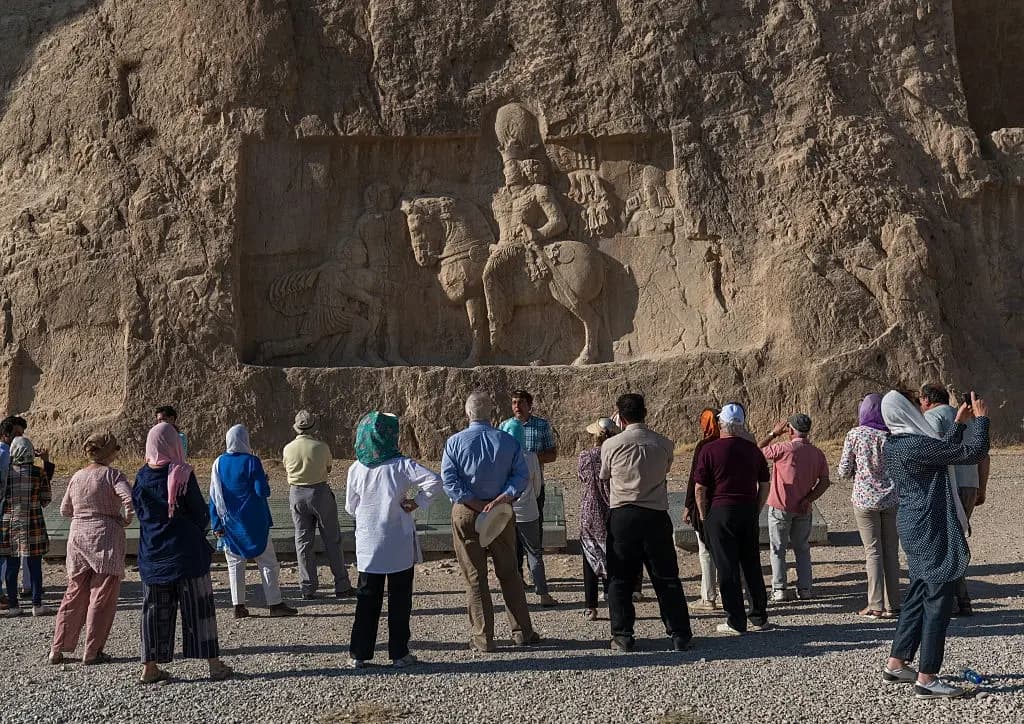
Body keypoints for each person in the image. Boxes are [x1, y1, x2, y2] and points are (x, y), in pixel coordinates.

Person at [880, 390, 988, 700]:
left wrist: (957, 425)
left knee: (917, 593)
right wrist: (981, 421)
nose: (919, 408)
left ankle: (897, 662)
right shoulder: (916, 445)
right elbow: (972, 454)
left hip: (914, 524)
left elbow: (940, 452)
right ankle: (927, 677)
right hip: (931, 526)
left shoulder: (897, 443)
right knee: (938, 599)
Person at [441, 390, 539, 652]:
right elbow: (521, 477)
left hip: (466, 512)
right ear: (491, 413)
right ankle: (522, 631)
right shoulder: (507, 441)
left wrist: (472, 502)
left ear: (467, 412)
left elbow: (449, 481)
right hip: (500, 513)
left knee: (474, 577)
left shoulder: (454, 442)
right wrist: (501, 499)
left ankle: (483, 638)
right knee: (509, 573)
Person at [134, 422, 233, 683]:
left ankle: (150, 667)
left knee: (154, 612)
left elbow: (140, 513)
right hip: (187, 554)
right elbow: (199, 513)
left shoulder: (142, 477)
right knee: (199, 609)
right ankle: (213, 664)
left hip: (154, 553)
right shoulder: (182, 474)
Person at [345, 412, 443, 668]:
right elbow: (434, 481)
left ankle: (360, 654)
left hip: (368, 543)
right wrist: (416, 502)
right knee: (399, 599)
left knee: (367, 598)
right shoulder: (401, 465)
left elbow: (350, 506)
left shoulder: (356, 468)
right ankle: (399, 652)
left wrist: (369, 513)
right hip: (397, 540)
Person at [602, 393, 692, 652]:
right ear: (645, 412)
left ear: (619, 416)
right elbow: (665, 470)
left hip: (623, 513)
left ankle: (622, 634)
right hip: (655, 513)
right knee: (666, 577)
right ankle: (679, 633)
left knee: (620, 578)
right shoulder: (664, 443)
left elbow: (604, 474)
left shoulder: (611, 445)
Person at [49, 432, 134, 664]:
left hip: (78, 537)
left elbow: (64, 510)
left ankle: (58, 648)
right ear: (109, 452)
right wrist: (124, 519)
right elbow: (129, 500)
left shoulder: (76, 476)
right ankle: (92, 650)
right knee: (102, 596)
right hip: (105, 536)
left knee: (74, 593)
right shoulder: (113, 475)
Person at [693, 403, 771, 635]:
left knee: (727, 567)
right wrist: (756, 508)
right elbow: (765, 485)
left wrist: (704, 514)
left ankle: (735, 620)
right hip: (747, 508)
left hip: (720, 509)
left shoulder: (710, 450)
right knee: (751, 564)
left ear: (721, 424)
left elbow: (700, 488)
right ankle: (759, 615)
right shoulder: (753, 450)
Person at [209, 424, 297, 619]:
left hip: (230, 523)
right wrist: (264, 480)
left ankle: (238, 606)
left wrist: (216, 524)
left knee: (235, 565)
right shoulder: (252, 461)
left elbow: (214, 496)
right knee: (268, 563)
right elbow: (261, 491)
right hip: (255, 522)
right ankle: (275, 603)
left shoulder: (218, 463)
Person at [919, 383, 989, 617]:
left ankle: (955, 599)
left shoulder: (931, 418)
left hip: (949, 484)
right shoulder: (969, 417)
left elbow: (935, 452)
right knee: (955, 540)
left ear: (927, 400)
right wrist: (981, 487)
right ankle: (960, 598)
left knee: (947, 543)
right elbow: (983, 454)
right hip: (970, 482)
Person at [837, 393, 900, 619]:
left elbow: (844, 470)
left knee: (872, 551)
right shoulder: (892, 435)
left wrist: (857, 471)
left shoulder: (855, 434)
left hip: (865, 499)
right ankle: (894, 603)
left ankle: (875, 604)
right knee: (891, 551)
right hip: (892, 498)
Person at [282, 411, 355, 599]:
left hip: (296, 493)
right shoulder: (321, 447)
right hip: (319, 492)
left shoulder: (288, 448)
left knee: (303, 541)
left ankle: (307, 587)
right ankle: (341, 584)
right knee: (332, 538)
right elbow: (328, 468)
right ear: (313, 428)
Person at [758, 413, 830, 601]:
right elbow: (824, 482)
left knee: (778, 549)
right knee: (802, 549)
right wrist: (810, 498)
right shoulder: (817, 453)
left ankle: (779, 589)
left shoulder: (783, 448)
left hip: (781, 505)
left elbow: (757, 451)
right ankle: (805, 589)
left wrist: (773, 433)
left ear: (790, 430)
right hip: (804, 507)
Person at [499, 418, 557, 607]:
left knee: (508, 552)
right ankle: (543, 594)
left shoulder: (500, 457)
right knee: (534, 553)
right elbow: (538, 487)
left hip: (506, 512)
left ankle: (513, 594)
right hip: (528, 511)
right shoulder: (531, 457)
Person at [1, 436, 54, 616]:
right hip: (34, 523)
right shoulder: (39, 473)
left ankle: (14, 605)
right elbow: (46, 499)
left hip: (10, 524)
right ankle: (37, 604)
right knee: (35, 566)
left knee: (11, 566)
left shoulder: (7, 472)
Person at [578, 417, 619, 620]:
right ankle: (612, 600)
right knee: (610, 554)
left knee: (589, 556)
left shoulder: (585, 455)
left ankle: (590, 606)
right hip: (611, 506)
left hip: (590, 509)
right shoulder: (614, 455)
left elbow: (582, 477)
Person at [503, 390, 556, 540]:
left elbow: (552, 454)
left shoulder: (541, 425)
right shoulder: (505, 426)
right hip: (510, 485)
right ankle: (516, 562)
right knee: (510, 528)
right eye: (514, 402)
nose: (517, 406)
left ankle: (534, 558)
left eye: (521, 402)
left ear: (530, 405)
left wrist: (531, 458)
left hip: (534, 485)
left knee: (535, 527)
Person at [683, 408, 721, 611]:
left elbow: (695, 479)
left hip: (705, 504)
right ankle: (725, 593)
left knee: (705, 551)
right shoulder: (732, 441)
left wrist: (689, 505)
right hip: (727, 505)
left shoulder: (704, 445)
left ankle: (709, 597)